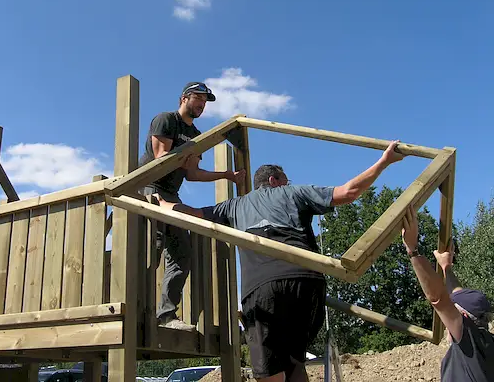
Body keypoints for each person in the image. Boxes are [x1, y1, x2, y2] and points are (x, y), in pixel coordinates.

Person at [157, 141, 406, 381]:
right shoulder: (295, 193)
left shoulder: (234, 206)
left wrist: (162, 203)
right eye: (286, 179)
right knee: (295, 363)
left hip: (263, 288)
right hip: (307, 283)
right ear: (274, 181)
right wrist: (384, 162)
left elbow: (193, 214)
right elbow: (348, 192)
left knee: (269, 371)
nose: (288, 183)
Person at [138, 81, 246, 331]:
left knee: (182, 253)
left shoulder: (197, 135)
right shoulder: (166, 120)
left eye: (205, 101)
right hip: (148, 189)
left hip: (171, 195)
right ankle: (138, 310)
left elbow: (193, 174)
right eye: (198, 98)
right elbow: (160, 159)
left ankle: (166, 315)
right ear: (184, 98)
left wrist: (226, 175)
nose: (202, 104)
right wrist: (183, 158)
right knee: (151, 249)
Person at [401, 205, 494, 381]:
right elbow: (457, 293)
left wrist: (412, 250)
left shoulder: (468, 341)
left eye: (453, 308)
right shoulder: (486, 344)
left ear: (464, 316)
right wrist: (446, 268)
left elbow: (438, 298)